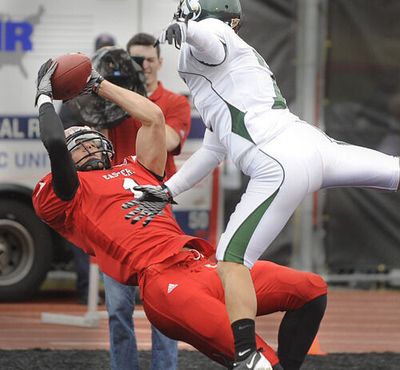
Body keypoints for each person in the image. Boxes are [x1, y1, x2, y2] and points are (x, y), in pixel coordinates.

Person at [124, 1, 400, 369]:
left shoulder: (211, 37)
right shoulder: (226, 76)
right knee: (395, 172)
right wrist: (170, 190)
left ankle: (245, 353)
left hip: (278, 162)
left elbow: (212, 38)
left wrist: (190, 30)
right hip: (311, 144)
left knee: (231, 260)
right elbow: (212, 151)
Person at [32, 59, 327, 370]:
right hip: (164, 282)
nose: (89, 150)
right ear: (66, 159)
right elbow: (54, 141)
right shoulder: (65, 192)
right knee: (259, 361)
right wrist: (44, 97)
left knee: (311, 290)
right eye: (78, 148)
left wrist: (97, 84)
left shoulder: (136, 168)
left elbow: (154, 118)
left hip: (207, 264)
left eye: (93, 143)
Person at [94, 39, 191, 370]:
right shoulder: (113, 101)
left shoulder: (174, 102)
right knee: (118, 308)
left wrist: (138, 104)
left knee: (163, 303)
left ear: (160, 62)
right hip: (114, 204)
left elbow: (171, 140)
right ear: (126, 60)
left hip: (153, 201)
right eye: (136, 59)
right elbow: (96, 146)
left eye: (149, 59)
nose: (143, 65)